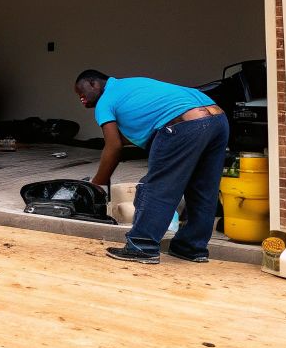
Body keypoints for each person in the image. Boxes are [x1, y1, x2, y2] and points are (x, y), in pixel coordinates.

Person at [74, 68, 228, 265]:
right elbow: (128, 137)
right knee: (203, 188)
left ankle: (142, 246)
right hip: (218, 120)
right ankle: (191, 247)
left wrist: (97, 184)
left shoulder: (105, 101)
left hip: (183, 124)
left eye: (81, 91)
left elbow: (113, 146)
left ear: (94, 84)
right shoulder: (131, 85)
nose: (81, 98)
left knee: (158, 185)